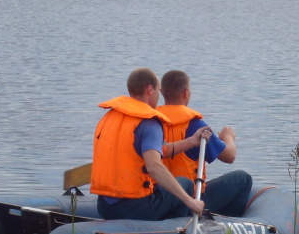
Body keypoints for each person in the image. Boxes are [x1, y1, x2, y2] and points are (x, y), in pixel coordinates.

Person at [90, 68, 210, 221]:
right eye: (158, 91)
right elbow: (153, 165)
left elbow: (155, 150)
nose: (159, 96)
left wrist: (192, 141)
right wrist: (189, 201)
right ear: (150, 89)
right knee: (185, 183)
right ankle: (173, 230)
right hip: (135, 206)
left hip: (105, 206)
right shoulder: (148, 122)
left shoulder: (110, 117)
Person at [158, 70, 253, 217]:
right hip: (191, 200)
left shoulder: (151, 121)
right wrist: (228, 137)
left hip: (159, 199)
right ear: (186, 93)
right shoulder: (195, 125)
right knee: (243, 178)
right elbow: (229, 156)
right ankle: (231, 224)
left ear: (161, 92)